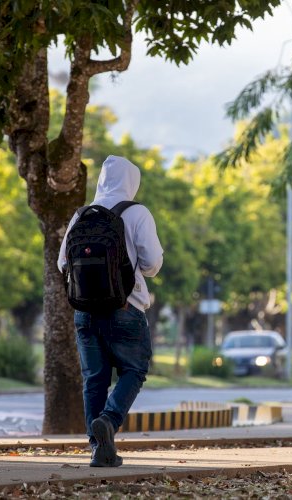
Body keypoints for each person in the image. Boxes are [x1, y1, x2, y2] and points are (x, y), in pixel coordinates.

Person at [58, 155, 163, 467]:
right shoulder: (137, 212)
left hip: (85, 313)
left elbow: (62, 263)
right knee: (134, 369)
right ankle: (109, 419)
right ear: (132, 181)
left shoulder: (82, 215)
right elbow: (153, 265)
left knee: (94, 379)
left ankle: (98, 449)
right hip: (125, 307)